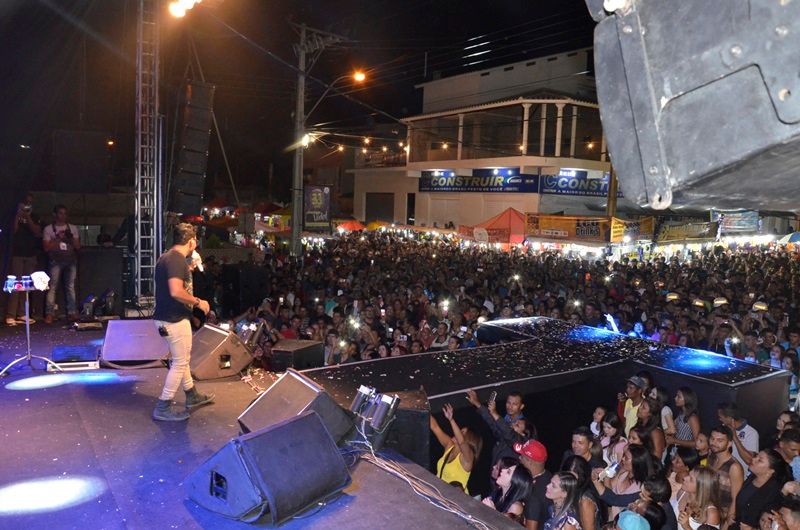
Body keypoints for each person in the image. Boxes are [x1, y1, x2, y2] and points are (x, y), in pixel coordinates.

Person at [151, 223, 214, 422]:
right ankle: (163, 406)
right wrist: (198, 302)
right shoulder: (176, 259)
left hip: (166, 317)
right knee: (180, 362)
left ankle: (192, 395)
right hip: (174, 319)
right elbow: (176, 291)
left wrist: (189, 268)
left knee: (181, 358)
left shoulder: (167, 257)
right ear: (191, 241)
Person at [466, 388, 534, 472]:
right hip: (497, 465)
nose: (510, 406)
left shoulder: (526, 427)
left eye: (514, 404)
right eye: (508, 402)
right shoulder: (506, 419)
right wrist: (477, 403)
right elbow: (493, 423)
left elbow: (510, 435)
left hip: (511, 471)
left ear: (521, 406)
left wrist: (494, 413)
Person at [730, 449, 790, 530]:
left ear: (770, 471)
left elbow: (767, 523)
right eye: (756, 456)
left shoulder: (775, 493)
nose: (753, 459)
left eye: (760, 460)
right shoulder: (751, 478)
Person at [6, 194, 42, 326]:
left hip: (30, 254)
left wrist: (28, 217)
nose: (27, 205)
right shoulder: (13, 216)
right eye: (25, 203)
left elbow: (37, 232)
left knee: (26, 286)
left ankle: (22, 313)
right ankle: (11, 314)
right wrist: (18, 215)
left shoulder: (35, 216)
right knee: (16, 284)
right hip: (17, 254)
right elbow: (13, 231)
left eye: (30, 203)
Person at [430, 403, 482, 493]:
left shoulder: (468, 458)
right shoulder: (449, 446)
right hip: (439, 493)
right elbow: (435, 427)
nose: (457, 432)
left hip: (457, 499)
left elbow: (462, 442)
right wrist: (421, 406)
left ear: (469, 439)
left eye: (462, 432)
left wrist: (451, 420)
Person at [43, 204, 80, 323]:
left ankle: (72, 312)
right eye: (60, 213)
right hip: (55, 261)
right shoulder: (48, 229)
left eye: (65, 213)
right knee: (52, 287)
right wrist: (58, 238)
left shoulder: (72, 228)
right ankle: (49, 313)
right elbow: (46, 247)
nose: (63, 216)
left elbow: (78, 246)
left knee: (70, 287)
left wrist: (71, 238)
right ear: (55, 214)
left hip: (70, 260)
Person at [707, 425, 745, 528]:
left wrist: (726, 525)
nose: (714, 443)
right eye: (712, 438)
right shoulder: (711, 457)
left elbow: (736, 499)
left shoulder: (734, 467)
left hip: (721, 517)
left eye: (720, 440)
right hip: (707, 511)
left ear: (729, 443)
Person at [515, 439, 553, 530]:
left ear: (529, 462)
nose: (519, 458)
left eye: (522, 456)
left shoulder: (534, 494)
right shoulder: (549, 476)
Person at [717, 402, 759, 470]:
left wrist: (734, 437)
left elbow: (749, 460)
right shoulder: (724, 429)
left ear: (729, 418)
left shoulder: (751, 433)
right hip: (725, 472)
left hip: (741, 473)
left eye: (720, 417)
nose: (719, 419)